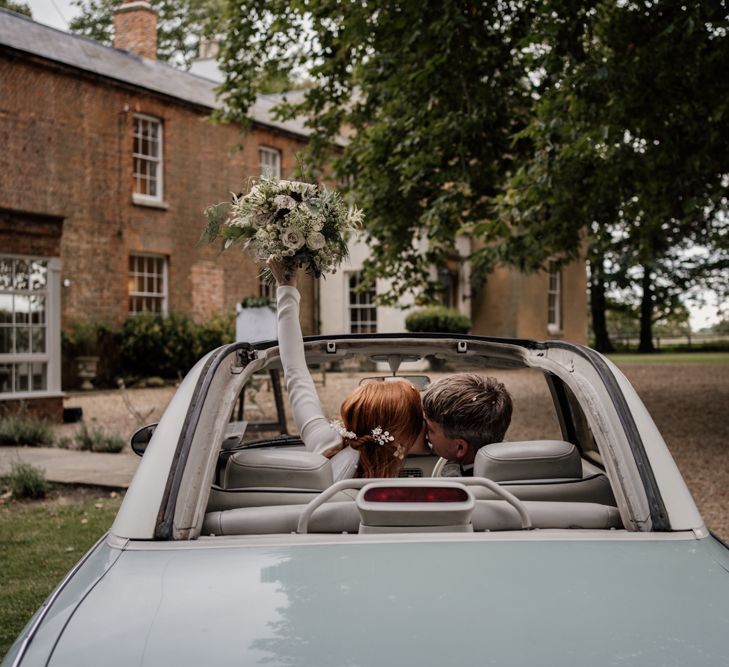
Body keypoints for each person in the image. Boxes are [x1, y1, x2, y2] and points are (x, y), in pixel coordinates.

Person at [268, 257, 427, 480]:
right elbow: (295, 372)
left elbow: (295, 370)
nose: (425, 423)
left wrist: (286, 286)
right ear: (400, 435)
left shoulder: (325, 444)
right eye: (419, 419)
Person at [422, 373, 513, 476]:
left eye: (430, 430)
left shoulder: (459, 489)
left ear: (460, 447)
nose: (423, 430)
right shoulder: (510, 470)